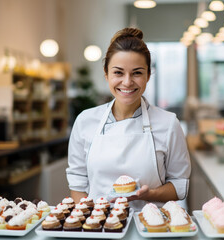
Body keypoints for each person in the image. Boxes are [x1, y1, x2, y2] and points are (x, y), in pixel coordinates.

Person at [66, 28, 191, 211]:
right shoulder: (85, 121)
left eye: (137, 73)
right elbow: (77, 183)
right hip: (99, 228)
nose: (127, 82)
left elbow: (179, 185)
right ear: (106, 74)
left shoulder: (168, 123)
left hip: (150, 227)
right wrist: (92, 220)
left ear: (148, 75)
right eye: (118, 72)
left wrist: (151, 194)